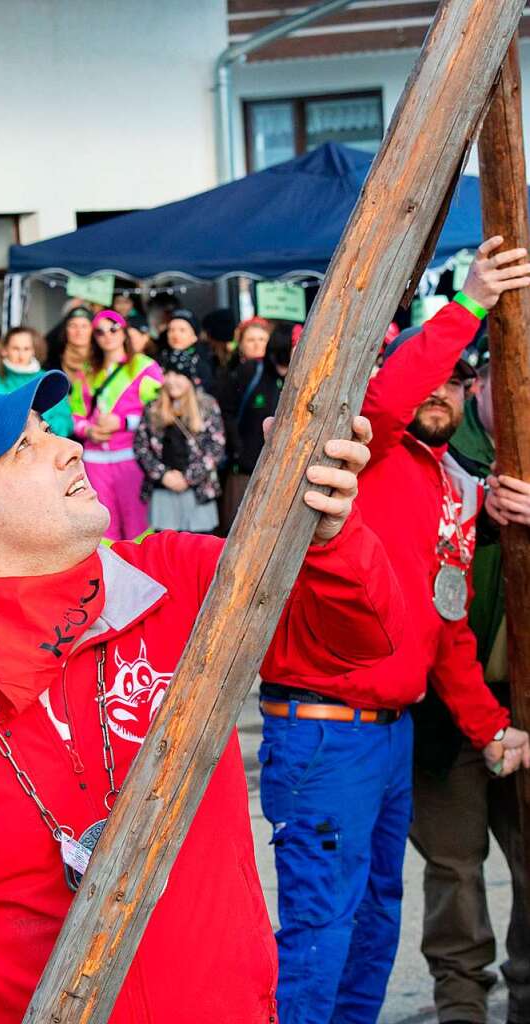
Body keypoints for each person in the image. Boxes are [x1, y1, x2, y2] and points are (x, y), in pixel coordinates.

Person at [0, 365, 407, 1023]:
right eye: (25, 447)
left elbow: (353, 642)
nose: (68, 445)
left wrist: (330, 537)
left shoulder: (176, 579)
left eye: (48, 429)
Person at [257, 237, 530, 1024]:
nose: (437, 390)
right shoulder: (361, 447)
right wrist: (469, 302)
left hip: (391, 734)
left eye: (453, 378)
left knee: (377, 919)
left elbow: (448, 630)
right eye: (427, 378)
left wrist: (489, 727)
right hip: (322, 730)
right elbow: (384, 393)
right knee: (320, 929)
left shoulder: (452, 486)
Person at [409, 359, 530, 1024]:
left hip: (522, 707)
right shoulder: (437, 452)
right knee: (453, 870)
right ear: (481, 386)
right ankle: (461, 1009)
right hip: (448, 703)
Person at [70, 309, 163, 541]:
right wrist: (88, 430)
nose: (107, 336)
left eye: (113, 328)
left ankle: (142, 573)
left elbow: (159, 414)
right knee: (102, 526)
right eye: (100, 332)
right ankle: (109, 576)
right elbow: (75, 414)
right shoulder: (86, 373)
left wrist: (121, 422)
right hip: (94, 461)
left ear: (124, 332)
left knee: (138, 525)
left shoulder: (145, 367)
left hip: (131, 457)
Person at [134, 349, 224, 533]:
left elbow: (216, 446)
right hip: (163, 490)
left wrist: (188, 477)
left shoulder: (206, 405)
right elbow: (141, 446)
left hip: (197, 490)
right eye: (168, 373)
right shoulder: (153, 407)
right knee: (165, 548)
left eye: (179, 374)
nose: (172, 380)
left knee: (199, 547)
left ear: (190, 379)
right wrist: (163, 474)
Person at [216, 318, 289, 533]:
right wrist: (238, 450)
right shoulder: (241, 373)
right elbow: (226, 414)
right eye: (251, 340)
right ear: (241, 344)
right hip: (245, 470)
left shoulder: (283, 374)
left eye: (262, 339)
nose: (257, 345)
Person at [0, 325, 73, 436]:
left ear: (33, 351)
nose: (21, 355)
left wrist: (44, 430)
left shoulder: (50, 381)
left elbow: (65, 420)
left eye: (26, 349)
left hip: (46, 445)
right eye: (15, 348)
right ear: (4, 351)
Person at [157, 308, 214, 393]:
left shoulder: (203, 361)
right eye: (171, 330)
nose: (175, 335)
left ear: (194, 336)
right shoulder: (161, 359)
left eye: (182, 330)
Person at [45, 306, 93, 378]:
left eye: (84, 326)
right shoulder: (52, 362)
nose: (79, 332)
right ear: (65, 330)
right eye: (73, 326)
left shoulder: (101, 361)